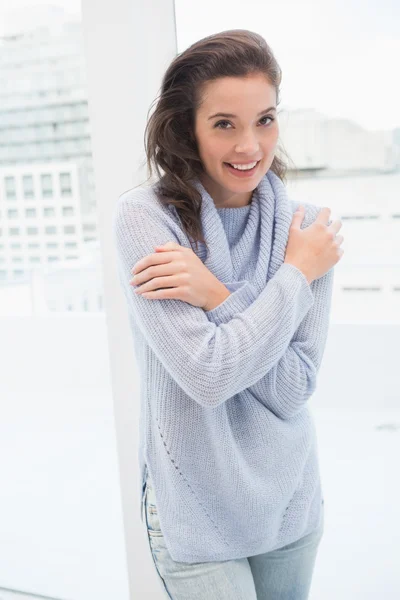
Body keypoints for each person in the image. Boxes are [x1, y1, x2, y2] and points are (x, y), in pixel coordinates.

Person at [113, 29, 344, 600]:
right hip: (194, 511)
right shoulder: (146, 220)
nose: (250, 146)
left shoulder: (306, 231)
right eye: (224, 124)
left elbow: (294, 388)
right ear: (186, 128)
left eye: (265, 120)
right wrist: (295, 277)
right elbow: (207, 374)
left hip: (289, 501)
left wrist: (217, 295)